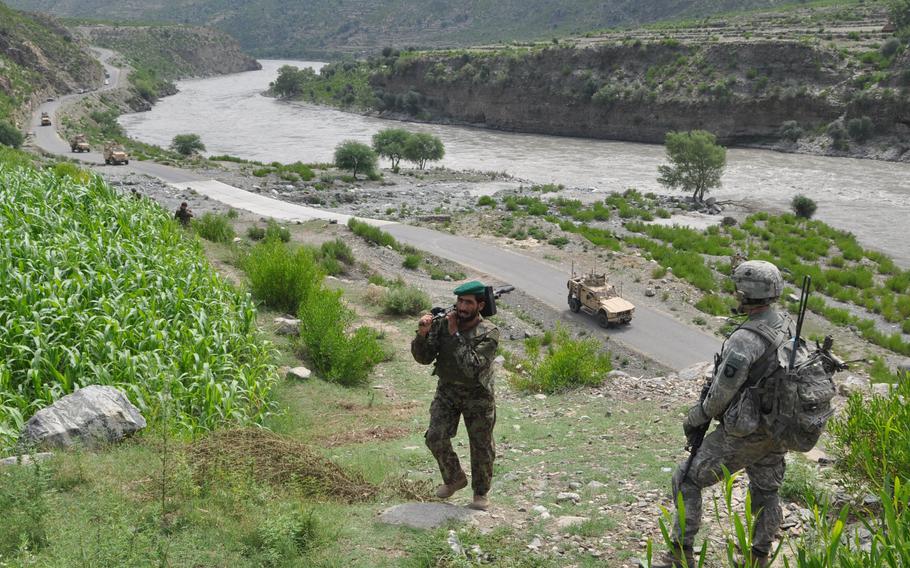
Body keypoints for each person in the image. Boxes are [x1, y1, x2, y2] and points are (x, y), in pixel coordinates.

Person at [654, 260, 792, 568]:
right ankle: (759, 557)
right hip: (777, 428)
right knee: (766, 490)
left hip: (747, 432)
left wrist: (695, 417)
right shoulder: (784, 322)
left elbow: (720, 395)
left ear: (744, 294)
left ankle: (679, 555)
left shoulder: (745, 340)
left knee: (686, 479)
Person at [411, 280, 500, 511]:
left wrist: (454, 334)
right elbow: (424, 358)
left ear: (479, 305)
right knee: (434, 436)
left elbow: (472, 366)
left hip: (477, 394)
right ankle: (454, 478)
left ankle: (480, 494)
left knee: (481, 444)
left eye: (468, 302)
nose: (461, 306)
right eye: (459, 301)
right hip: (448, 391)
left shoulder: (489, 332)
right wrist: (422, 334)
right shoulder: (443, 324)